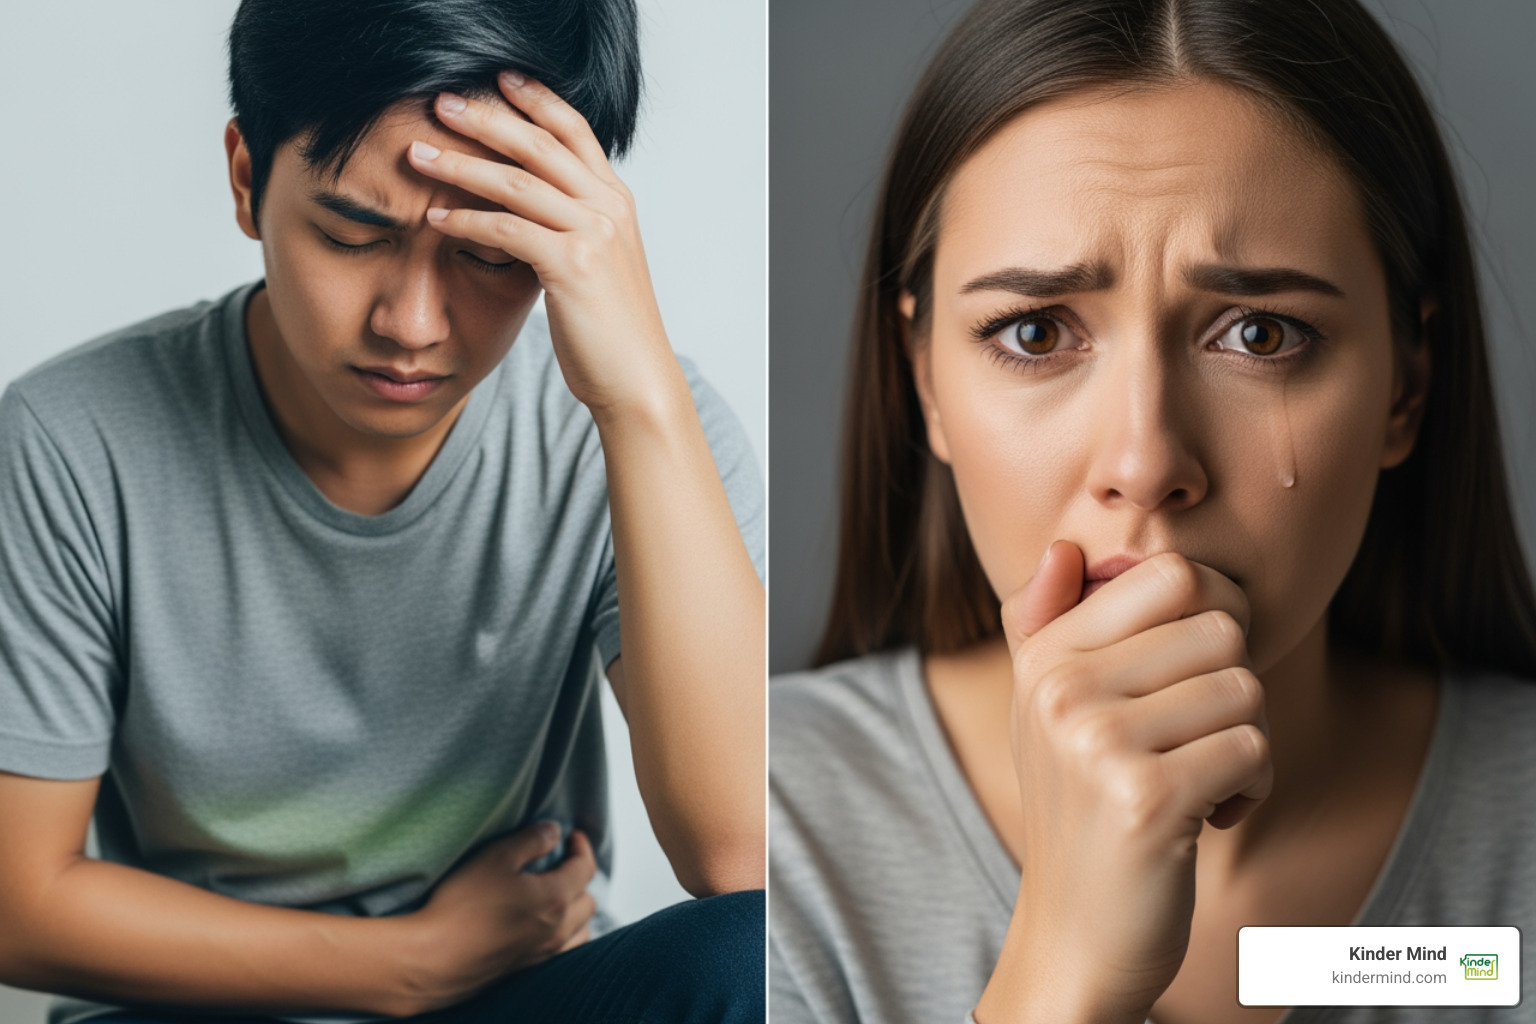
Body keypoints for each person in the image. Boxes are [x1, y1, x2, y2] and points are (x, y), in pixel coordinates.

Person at [768, 1, 1536, 1022]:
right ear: (927, 383)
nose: (1146, 462)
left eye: (1261, 334)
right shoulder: (774, 828)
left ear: (1406, 384)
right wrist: (1061, 972)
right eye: (1037, 333)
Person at [0, 2, 765, 1023]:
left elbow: (742, 854)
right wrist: (408, 962)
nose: (410, 323)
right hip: (194, 1012)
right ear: (245, 178)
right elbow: (19, 904)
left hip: (520, 996)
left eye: (490, 254)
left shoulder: (641, 431)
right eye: (352, 234)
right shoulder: (69, 439)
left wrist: (640, 399)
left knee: (752, 962)